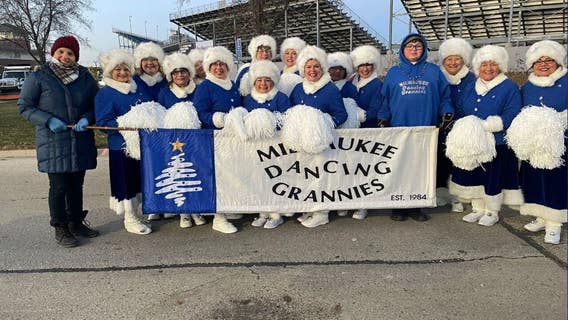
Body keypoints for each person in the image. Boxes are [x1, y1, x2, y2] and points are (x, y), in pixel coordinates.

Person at [18, 35, 100, 247]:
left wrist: (87, 118)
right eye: (61, 52)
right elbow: (25, 107)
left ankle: (75, 222)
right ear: (53, 53)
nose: (65, 56)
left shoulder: (85, 78)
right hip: (54, 141)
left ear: (76, 57)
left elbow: (96, 105)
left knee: (76, 185)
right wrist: (48, 120)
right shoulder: (39, 77)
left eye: (70, 53)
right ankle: (60, 227)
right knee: (59, 186)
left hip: (80, 140)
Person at [378, 33, 453, 222]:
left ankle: (416, 206)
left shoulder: (434, 71)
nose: (414, 49)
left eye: (418, 46)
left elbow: (445, 97)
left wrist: (447, 112)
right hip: (399, 130)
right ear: (403, 50)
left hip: (425, 130)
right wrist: (382, 117)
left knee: (421, 169)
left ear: (424, 49)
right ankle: (398, 206)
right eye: (410, 46)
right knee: (399, 168)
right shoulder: (394, 72)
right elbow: (385, 100)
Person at [449, 45, 523, 227]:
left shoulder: (509, 87)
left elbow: (513, 113)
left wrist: (490, 125)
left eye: (493, 65)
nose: (488, 69)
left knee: (493, 177)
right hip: (472, 141)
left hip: (496, 142)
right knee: (474, 175)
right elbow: (461, 108)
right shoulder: (470, 86)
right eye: (484, 65)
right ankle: (478, 207)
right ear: (477, 67)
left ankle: (492, 211)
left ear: (500, 66)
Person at [289, 45, 348, 228]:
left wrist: (321, 124)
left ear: (322, 68)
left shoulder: (330, 89)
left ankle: (322, 213)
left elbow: (341, 115)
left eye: (316, 67)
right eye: (308, 67)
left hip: (322, 143)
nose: (312, 71)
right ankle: (309, 207)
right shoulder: (298, 89)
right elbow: (290, 113)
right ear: (303, 69)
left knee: (321, 177)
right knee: (305, 176)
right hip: (302, 143)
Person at [95, 48, 153, 235]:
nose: (122, 73)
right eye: (118, 69)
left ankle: (137, 214)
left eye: (126, 69)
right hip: (121, 146)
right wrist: (128, 125)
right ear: (110, 72)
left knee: (139, 180)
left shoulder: (137, 90)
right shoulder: (106, 93)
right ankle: (129, 217)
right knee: (126, 182)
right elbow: (104, 122)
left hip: (142, 145)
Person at [518, 40, 567, 244]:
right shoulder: (528, 85)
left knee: (557, 181)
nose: (544, 64)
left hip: (560, 141)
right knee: (534, 178)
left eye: (548, 60)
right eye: (539, 61)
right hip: (534, 142)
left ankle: (555, 223)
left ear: (557, 62)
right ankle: (540, 215)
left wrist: (558, 121)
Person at [193, 46, 242, 234]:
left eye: (222, 64)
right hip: (215, 138)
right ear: (208, 67)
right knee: (217, 176)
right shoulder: (205, 87)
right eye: (214, 65)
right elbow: (199, 113)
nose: (219, 68)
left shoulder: (233, 86)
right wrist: (217, 118)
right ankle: (218, 217)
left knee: (230, 174)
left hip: (233, 138)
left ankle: (228, 208)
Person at [243, 60, 291, 229]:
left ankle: (276, 213)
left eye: (267, 80)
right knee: (258, 179)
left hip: (276, 148)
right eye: (259, 80)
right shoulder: (248, 99)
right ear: (254, 82)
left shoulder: (281, 98)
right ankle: (263, 211)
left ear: (273, 81)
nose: (263, 84)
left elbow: (286, 120)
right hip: (255, 149)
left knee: (276, 178)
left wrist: (269, 123)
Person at [437, 37, 476, 213]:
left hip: (463, 128)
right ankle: (440, 193)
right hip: (442, 126)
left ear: (463, 59)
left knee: (459, 162)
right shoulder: (438, 77)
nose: (453, 63)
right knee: (440, 160)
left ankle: (459, 196)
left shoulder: (472, 79)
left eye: (457, 58)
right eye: (449, 59)